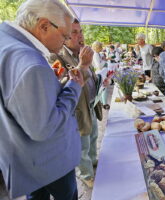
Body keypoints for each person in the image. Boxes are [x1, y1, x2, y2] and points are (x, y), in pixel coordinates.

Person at [0, 0, 94, 199]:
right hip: (50, 159)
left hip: (26, 160)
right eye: (65, 36)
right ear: (43, 26)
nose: (65, 41)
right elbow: (44, 127)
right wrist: (74, 87)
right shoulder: (30, 62)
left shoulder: (6, 42)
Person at [50, 19, 104, 189]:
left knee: (93, 135)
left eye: (80, 31)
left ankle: (94, 162)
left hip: (90, 104)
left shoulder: (82, 51)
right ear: (64, 36)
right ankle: (86, 175)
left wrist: (100, 79)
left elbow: (91, 76)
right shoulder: (56, 55)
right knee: (82, 144)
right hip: (76, 110)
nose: (80, 35)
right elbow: (61, 86)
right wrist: (82, 65)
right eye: (74, 32)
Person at [92, 41, 110, 110]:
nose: (102, 48)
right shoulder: (95, 54)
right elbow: (99, 66)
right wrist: (104, 61)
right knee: (103, 88)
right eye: (101, 47)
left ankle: (103, 103)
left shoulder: (98, 54)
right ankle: (104, 103)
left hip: (101, 73)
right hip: (99, 73)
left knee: (103, 88)